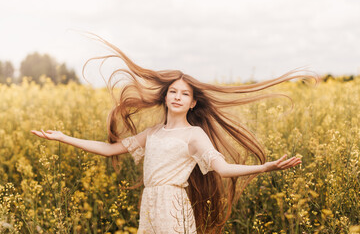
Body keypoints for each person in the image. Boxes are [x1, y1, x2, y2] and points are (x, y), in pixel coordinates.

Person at [31, 34, 318, 233]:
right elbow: (110, 150)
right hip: (151, 202)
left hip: (172, 204)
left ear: (193, 102)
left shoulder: (194, 135)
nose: (178, 97)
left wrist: (265, 167)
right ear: (166, 98)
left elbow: (223, 169)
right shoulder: (154, 132)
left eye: (185, 94)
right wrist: (62, 138)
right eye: (173, 92)